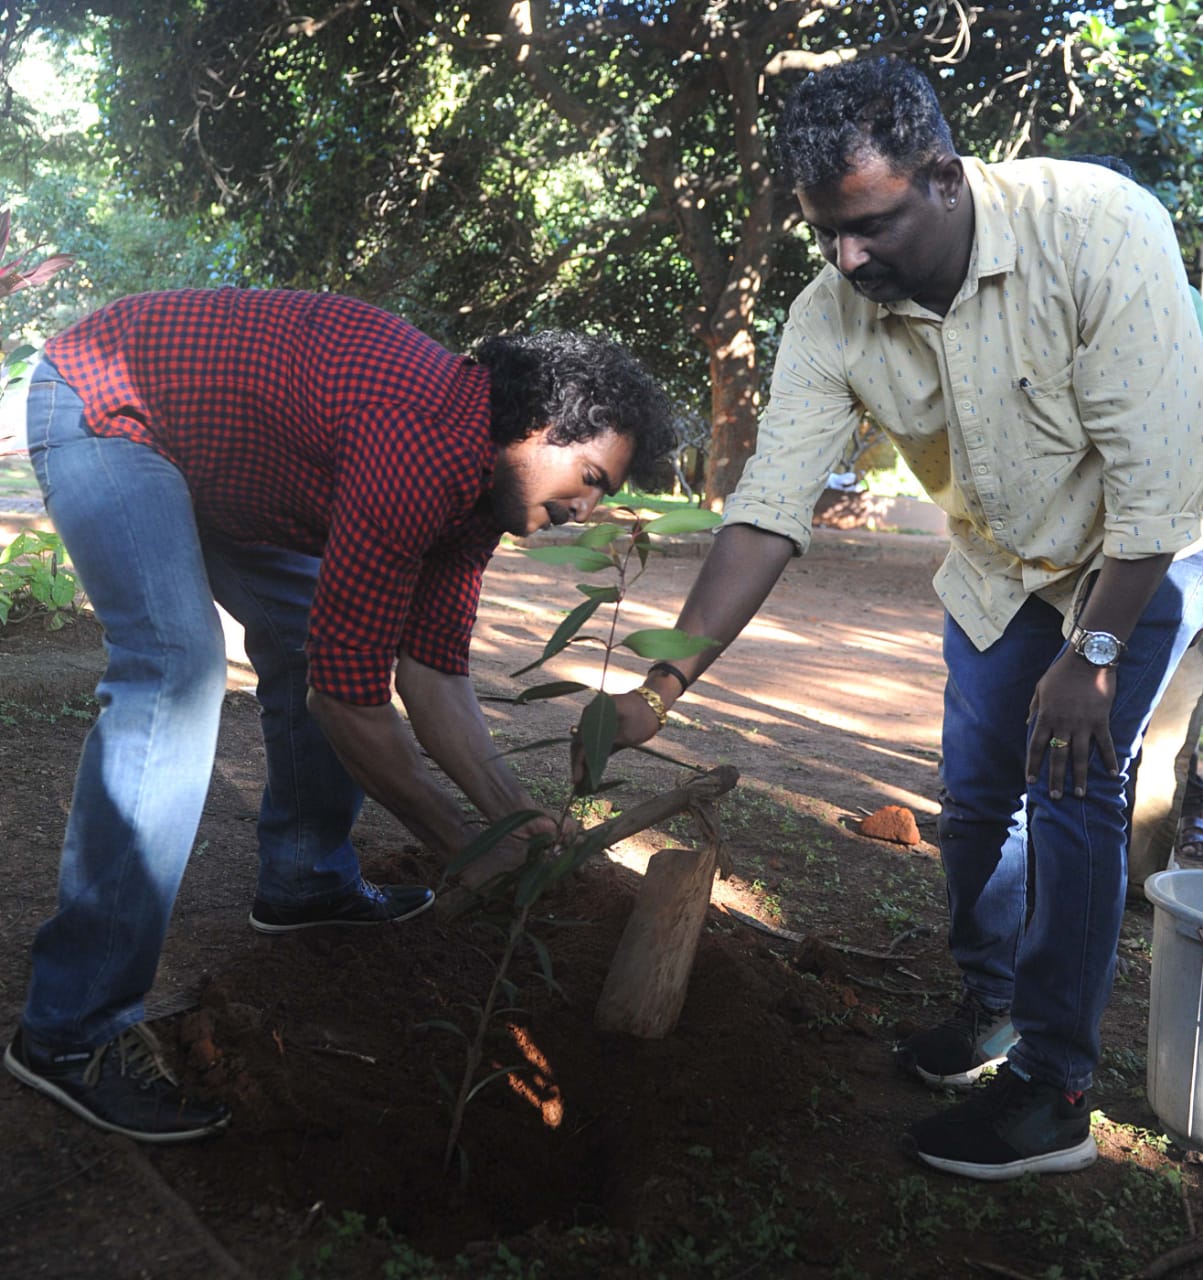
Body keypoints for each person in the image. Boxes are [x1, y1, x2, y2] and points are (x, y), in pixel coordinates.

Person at [579, 59, 1203, 1180]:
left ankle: (1055, 1092)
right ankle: (996, 1002)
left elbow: (1155, 489)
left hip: (1138, 560)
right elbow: (767, 512)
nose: (845, 258)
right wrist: (657, 683)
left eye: (868, 225)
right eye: (824, 233)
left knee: (1071, 784)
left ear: (946, 179)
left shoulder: (1100, 231)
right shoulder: (833, 315)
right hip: (997, 567)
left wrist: (1094, 656)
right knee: (972, 802)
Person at [5, 286, 675, 1145]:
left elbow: (432, 677)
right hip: (110, 402)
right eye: (588, 480)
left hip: (228, 459)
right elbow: (349, 702)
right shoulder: (419, 445)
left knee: (306, 630)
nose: (585, 512)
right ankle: (70, 1031)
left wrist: (512, 820)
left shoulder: (478, 495)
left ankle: (305, 879)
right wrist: (457, 845)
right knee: (176, 667)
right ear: (541, 427)